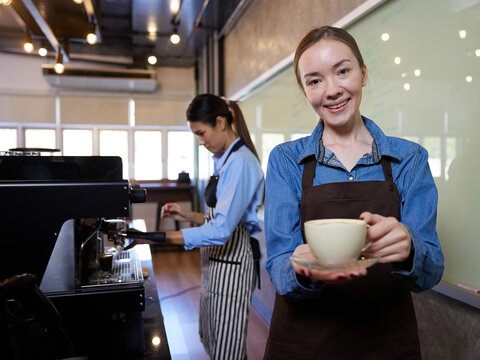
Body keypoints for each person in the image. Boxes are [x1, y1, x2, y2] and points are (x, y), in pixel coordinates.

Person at [263, 26, 444, 359]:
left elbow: (431, 269)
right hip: (304, 344)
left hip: (386, 342)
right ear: (304, 91)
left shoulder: (409, 159)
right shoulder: (286, 161)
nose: (331, 90)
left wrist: (409, 248)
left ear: (363, 74)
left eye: (342, 71)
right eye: (314, 80)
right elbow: (277, 264)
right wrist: (303, 269)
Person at [154, 94, 264, 359]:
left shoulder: (240, 163)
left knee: (228, 351)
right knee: (214, 340)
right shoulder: (225, 160)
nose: (201, 142)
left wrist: (159, 237)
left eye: (202, 133)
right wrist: (187, 214)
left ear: (220, 122)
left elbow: (222, 230)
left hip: (233, 267)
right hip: (217, 264)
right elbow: (222, 219)